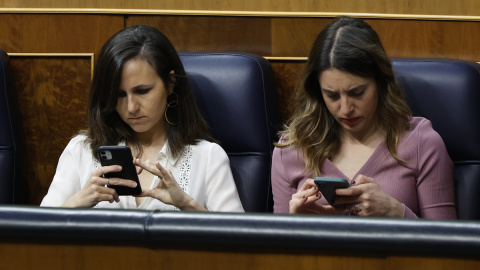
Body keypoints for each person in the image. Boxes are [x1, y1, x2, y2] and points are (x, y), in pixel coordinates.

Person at [41, 25, 244, 212]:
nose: (131, 107)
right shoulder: (81, 151)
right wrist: (76, 203)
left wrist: (187, 205)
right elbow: (35, 236)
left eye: (142, 91)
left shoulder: (208, 157)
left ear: (170, 83)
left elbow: (241, 244)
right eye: (119, 95)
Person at [271, 16, 456, 219]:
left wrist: (395, 212)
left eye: (357, 93)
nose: (346, 109)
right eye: (332, 95)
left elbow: (446, 247)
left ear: (380, 82)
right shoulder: (291, 149)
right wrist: (295, 224)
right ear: (318, 92)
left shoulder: (422, 143)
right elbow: (277, 249)